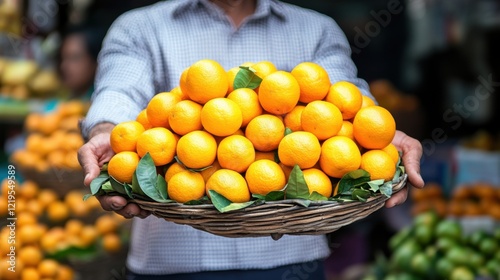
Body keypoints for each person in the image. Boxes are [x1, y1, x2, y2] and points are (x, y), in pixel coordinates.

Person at [78, 0, 425, 279]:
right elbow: (118, 91)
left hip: (291, 258)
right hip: (171, 262)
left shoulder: (316, 29)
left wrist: (383, 141)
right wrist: (106, 133)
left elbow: (344, 104)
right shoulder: (139, 26)